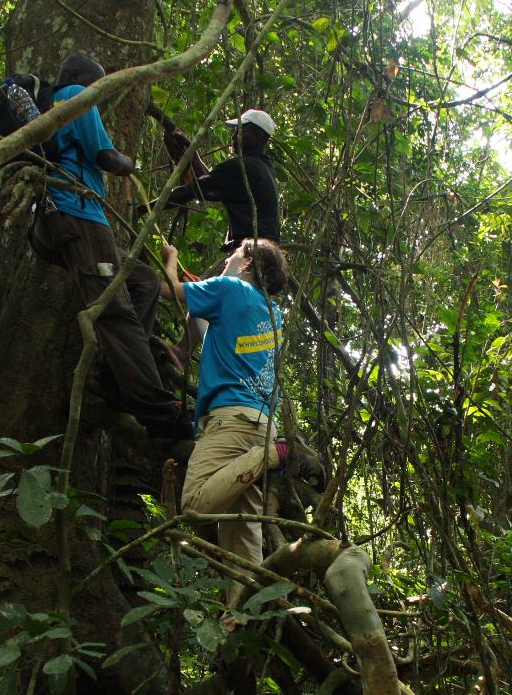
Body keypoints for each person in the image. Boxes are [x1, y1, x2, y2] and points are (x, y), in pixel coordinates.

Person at [28, 53, 191, 440]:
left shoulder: (60, 100)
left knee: (142, 280)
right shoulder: (73, 95)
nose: (94, 93)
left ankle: (117, 378)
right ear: (74, 77)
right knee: (114, 309)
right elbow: (107, 157)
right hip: (77, 215)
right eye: (92, 83)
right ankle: (158, 411)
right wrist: (128, 162)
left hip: (71, 219)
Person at [158, 239, 321, 609]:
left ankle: (276, 456)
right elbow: (203, 329)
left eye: (234, 253)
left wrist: (172, 259)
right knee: (242, 530)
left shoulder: (229, 289)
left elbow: (168, 290)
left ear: (246, 261)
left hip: (231, 421)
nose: (227, 257)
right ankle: (242, 614)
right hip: (260, 423)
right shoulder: (271, 312)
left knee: (195, 503)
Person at [165, 109, 280, 254]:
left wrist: (143, 208)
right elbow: (212, 181)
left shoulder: (242, 166)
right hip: (268, 252)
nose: (233, 136)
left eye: (239, 131)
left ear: (256, 135)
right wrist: (192, 155)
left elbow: (192, 190)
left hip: (250, 252)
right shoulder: (263, 167)